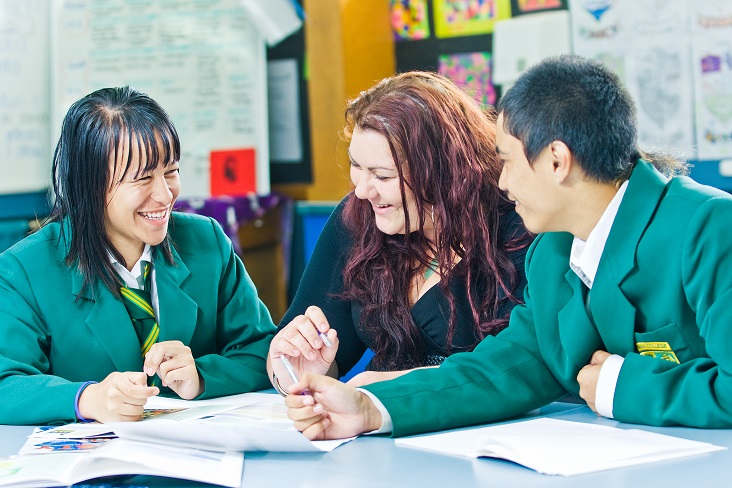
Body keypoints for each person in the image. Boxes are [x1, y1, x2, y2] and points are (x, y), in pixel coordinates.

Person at [284, 54, 732, 439]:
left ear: (557, 161)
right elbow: (506, 367)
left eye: (506, 162)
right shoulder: (554, 251)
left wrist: (620, 386)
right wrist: (370, 408)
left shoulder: (710, 227)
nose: (499, 181)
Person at [0, 86, 276, 425]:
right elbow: (6, 383)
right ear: (90, 186)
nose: (164, 195)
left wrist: (202, 376)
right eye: (143, 178)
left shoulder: (207, 241)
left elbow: (265, 349)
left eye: (171, 172)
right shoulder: (25, 269)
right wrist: (85, 399)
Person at [267, 72, 531, 393]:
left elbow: (524, 365)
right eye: (356, 167)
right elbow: (308, 350)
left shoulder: (519, 226)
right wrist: (294, 371)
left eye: (382, 176)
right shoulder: (358, 217)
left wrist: (393, 389)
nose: (363, 191)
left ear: (444, 171)